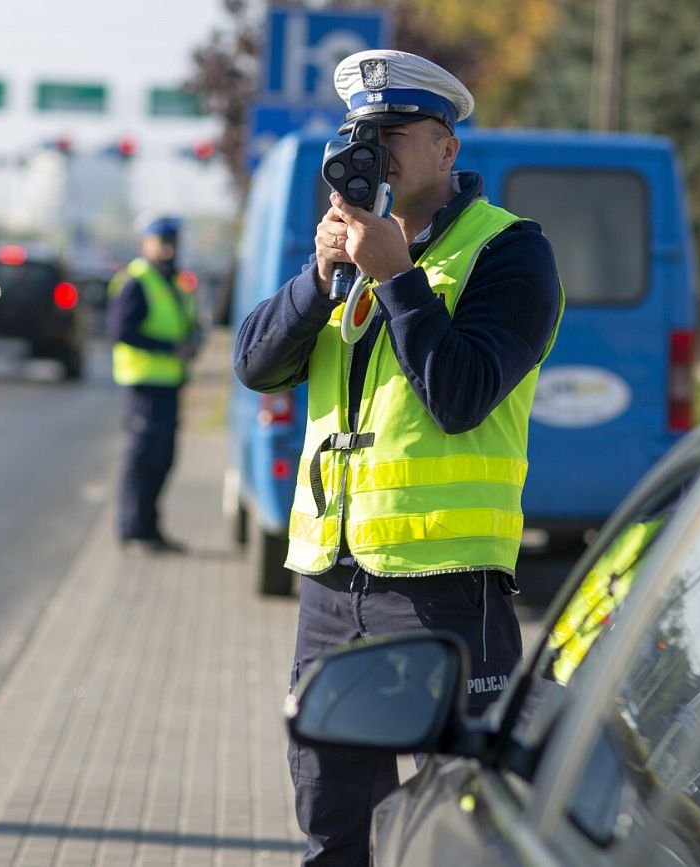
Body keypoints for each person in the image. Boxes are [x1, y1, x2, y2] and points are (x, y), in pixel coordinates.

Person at [233, 49, 564, 865]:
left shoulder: (511, 252)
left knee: (461, 829)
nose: (370, 149)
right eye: (358, 132)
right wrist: (320, 276)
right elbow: (254, 364)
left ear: (448, 149)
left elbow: (461, 395)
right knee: (330, 825)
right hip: (330, 591)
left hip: (444, 596)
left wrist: (398, 279)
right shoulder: (343, 259)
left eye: (392, 132)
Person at [107, 215, 201, 555]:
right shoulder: (136, 281)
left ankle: (149, 527)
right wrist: (170, 348)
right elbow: (121, 331)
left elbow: (186, 324)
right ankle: (132, 529)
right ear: (145, 244)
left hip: (169, 384)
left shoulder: (176, 281)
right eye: (160, 241)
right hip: (143, 385)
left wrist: (194, 339)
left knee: (163, 458)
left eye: (171, 241)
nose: (166, 248)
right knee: (143, 458)